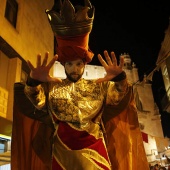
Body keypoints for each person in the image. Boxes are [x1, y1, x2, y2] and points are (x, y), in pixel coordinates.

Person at [11, 0, 149, 169]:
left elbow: (118, 95)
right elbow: (38, 102)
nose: (74, 69)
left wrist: (120, 78)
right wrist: (33, 82)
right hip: (62, 155)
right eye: (69, 64)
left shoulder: (99, 86)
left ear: (84, 64)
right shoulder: (54, 89)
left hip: (96, 154)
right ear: (63, 65)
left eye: (78, 64)